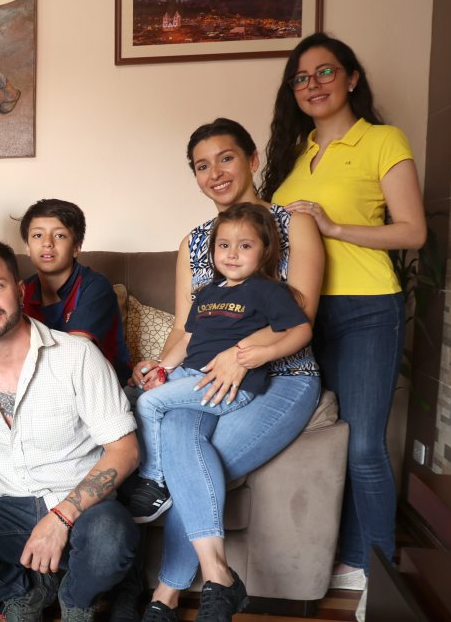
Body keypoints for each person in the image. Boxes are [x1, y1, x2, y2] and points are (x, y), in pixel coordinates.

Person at [259, 33, 426, 618]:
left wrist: (334, 228)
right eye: (301, 77)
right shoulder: (293, 154)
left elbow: (412, 231)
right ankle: (346, 557)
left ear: (351, 78)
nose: (313, 84)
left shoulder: (382, 141)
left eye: (324, 72)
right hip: (299, 314)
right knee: (320, 440)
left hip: (364, 307)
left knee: (362, 447)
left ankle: (376, 574)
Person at [130, 118, 323, 622]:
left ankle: (165, 597)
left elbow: (300, 313)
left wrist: (239, 357)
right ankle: (218, 578)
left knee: (188, 462)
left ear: (253, 159)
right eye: (201, 165)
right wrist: (160, 366)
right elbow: (183, 328)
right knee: (177, 434)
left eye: (226, 158)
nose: (214, 172)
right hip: (204, 376)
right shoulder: (194, 243)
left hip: (282, 375)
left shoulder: (292, 223)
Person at [0, 239, 139, 622]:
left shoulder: (76, 356)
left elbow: (125, 451)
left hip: (80, 507)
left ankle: (76, 601)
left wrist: (62, 517)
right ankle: (25, 591)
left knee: (111, 537)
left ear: (20, 290)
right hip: (6, 509)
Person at [125, 203, 312, 525]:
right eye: (224, 246)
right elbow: (186, 339)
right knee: (128, 397)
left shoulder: (268, 291)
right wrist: (162, 369)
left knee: (150, 403)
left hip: (228, 384)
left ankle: (154, 481)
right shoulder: (207, 294)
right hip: (191, 374)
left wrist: (266, 353)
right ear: (212, 251)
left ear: (265, 251)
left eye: (245, 246)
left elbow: (301, 329)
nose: (233, 254)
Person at [19, 199, 131, 384]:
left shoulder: (95, 286)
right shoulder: (22, 290)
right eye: (38, 235)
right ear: (27, 247)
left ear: (76, 247)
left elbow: (74, 352)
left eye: (60, 236)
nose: (47, 243)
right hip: (41, 383)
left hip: (99, 384)